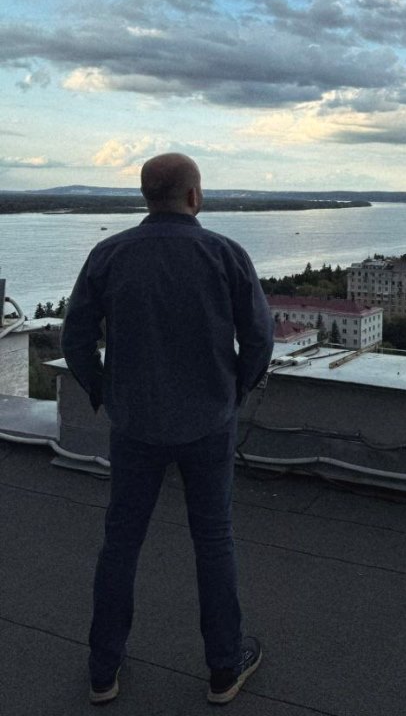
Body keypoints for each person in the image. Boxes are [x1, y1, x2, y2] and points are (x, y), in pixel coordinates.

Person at [62, 153, 275, 705]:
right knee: (214, 539)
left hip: (135, 423)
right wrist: (233, 391)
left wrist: (104, 392)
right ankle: (224, 669)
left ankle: (103, 671)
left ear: (145, 197)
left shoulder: (109, 254)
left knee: (121, 543)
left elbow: (75, 338)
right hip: (209, 422)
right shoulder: (225, 254)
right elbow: (259, 338)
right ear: (195, 196)